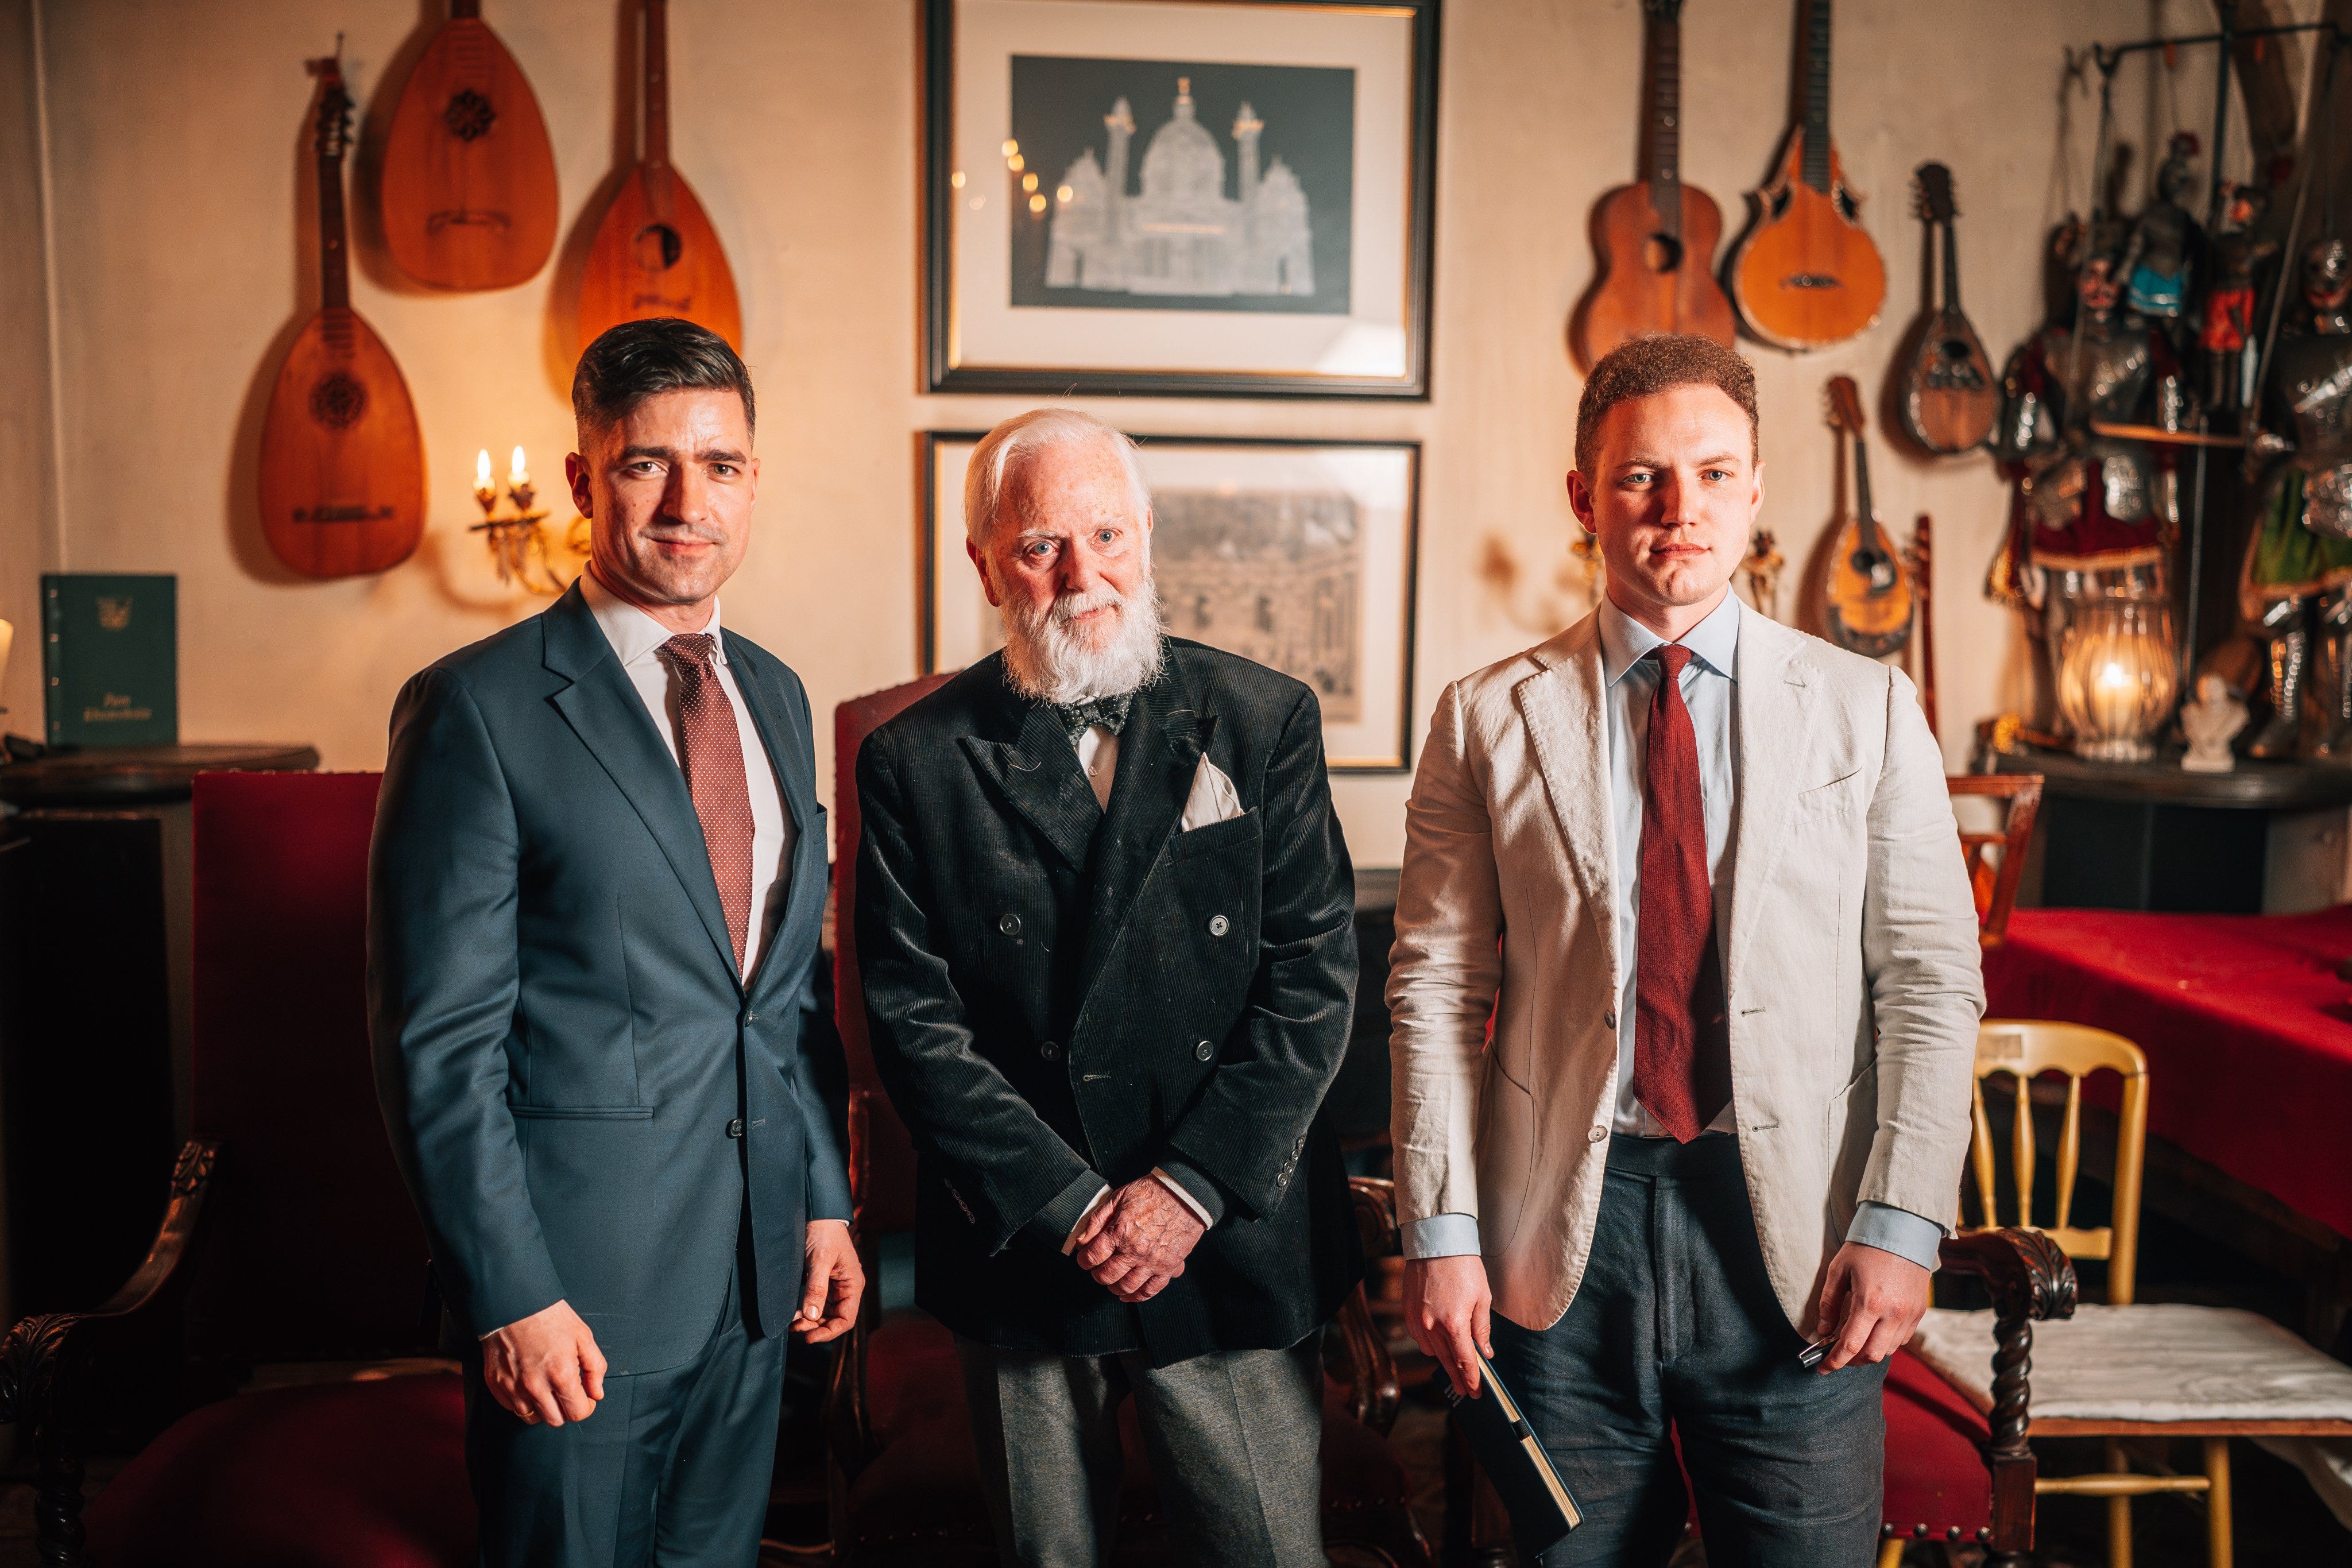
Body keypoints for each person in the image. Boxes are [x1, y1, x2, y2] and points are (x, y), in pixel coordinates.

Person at [1388, 334, 1983, 1566]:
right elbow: (1437, 990)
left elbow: (1930, 983)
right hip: (1559, 1238)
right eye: (1641, 477)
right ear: (1583, 497)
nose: (1680, 509)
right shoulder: (1484, 716)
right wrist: (1439, 1234)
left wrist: (1900, 1223)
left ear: (1756, 489)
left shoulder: (1867, 709)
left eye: (1713, 474)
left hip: (1800, 1240)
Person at [370, 318, 862, 1566]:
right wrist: (509, 1294)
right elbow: (436, 1043)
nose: (690, 503)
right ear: (585, 482)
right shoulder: (476, 706)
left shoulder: (776, 692)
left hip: (756, 1274)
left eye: (722, 465)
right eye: (649, 464)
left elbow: (783, 999)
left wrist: (822, 1203)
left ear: (753, 479)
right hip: (574, 1289)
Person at [853, 408, 1360, 1568]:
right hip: (1029, 1235)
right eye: (1040, 546)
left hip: (1225, 1226)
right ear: (987, 564)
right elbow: (913, 1022)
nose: (1082, 575)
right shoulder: (913, 760)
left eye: (1106, 535)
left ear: (1147, 533)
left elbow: (1313, 976)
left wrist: (1186, 1191)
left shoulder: (1264, 716)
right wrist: (1074, 1206)